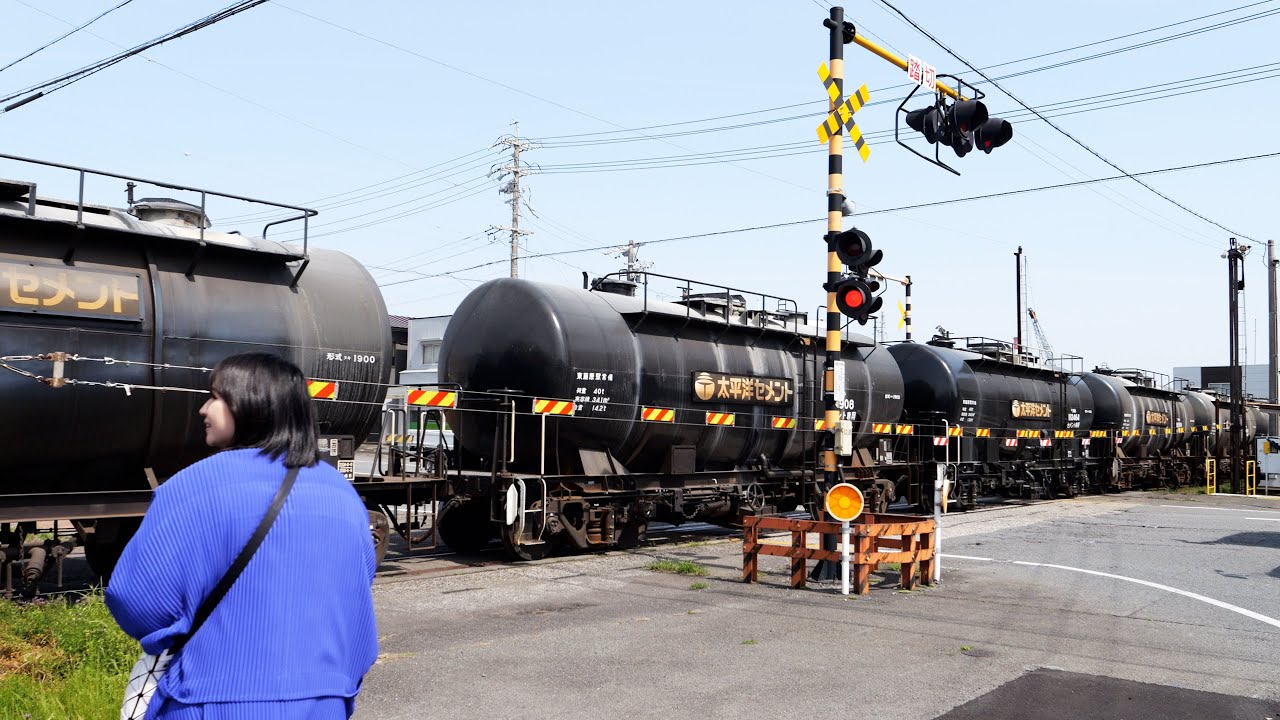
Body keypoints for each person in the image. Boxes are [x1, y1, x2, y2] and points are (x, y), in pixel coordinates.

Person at [106, 352, 378, 719]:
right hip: (325, 702)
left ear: (253, 404)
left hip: (209, 700)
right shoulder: (343, 495)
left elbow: (136, 600)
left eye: (216, 397)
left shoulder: (195, 485)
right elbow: (355, 602)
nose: (203, 409)